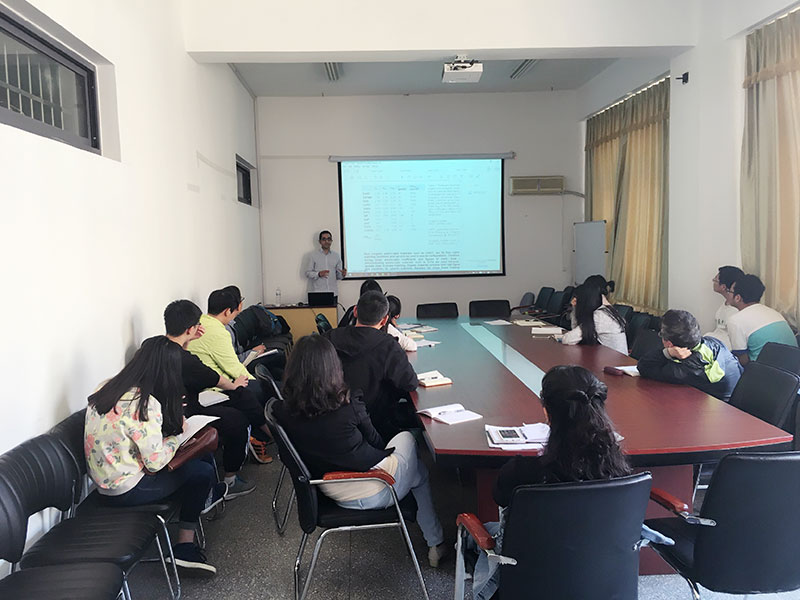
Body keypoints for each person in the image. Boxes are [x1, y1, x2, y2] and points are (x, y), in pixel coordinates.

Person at [274, 335, 447, 567]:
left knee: (418, 473)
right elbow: (378, 444)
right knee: (409, 444)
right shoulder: (346, 407)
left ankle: (436, 541)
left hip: (325, 486)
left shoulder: (281, 411)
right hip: (374, 487)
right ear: (333, 368)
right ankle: (435, 543)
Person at [471, 366, 633, 599]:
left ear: (547, 412)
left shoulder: (521, 473)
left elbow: (499, 497)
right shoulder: (620, 471)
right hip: (600, 579)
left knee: (481, 532)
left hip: (532, 581)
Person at [85, 336, 225, 576]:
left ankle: (207, 495)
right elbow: (156, 462)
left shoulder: (105, 388)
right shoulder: (145, 404)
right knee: (202, 471)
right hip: (128, 490)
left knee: (198, 460)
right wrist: (178, 435)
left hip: (103, 484)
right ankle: (184, 548)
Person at [165, 299, 267, 494]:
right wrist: (235, 385)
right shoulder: (188, 361)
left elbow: (183, 356)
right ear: (190, 329)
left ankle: (268, 433)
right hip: (185, 414)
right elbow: (215, 379)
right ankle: (230, 481)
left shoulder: (152, 346)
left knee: (240, 398)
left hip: (171, 408)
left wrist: (189, 340)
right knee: (238, 420)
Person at [325, 290, 418, 441]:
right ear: (385, 319)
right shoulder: (389, 346)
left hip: (332, 420)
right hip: (376, 425)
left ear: (355, 311)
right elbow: (410, 383)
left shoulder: (330, 337)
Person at [637, 309, 742, 401]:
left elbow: (644, 367)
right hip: (728, 406)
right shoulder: (713, 342)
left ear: (669, 343)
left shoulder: (686, 369)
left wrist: (668, 352)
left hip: (716, 412)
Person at [727, 274, 798, 363]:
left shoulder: (735, 320)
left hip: (766, 369)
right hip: (794, 367)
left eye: (729, 291)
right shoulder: (774, 313)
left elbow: (742, 360)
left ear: (737, 298)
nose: (727, 294)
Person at [561, 284, 628, 354]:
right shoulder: (604, 311)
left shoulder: (600, 316)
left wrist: (574, 308)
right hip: (611, 356)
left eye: (576, 298)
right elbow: (575, 330)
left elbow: (567, 339)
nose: (572, 301)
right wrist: (575, 308)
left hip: (617, 359)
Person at [703, 266, 744, 348]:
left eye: (715, 280)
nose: (713, 281)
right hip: (713, 343)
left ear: (723, 287)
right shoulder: (726, 304)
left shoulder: (736, 310)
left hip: (722, 349)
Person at [305, 230, 346, 305]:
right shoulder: (313, 255)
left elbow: (338, 276)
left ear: (331, 241)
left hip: (333, 293)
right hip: (318, 293)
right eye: (324, 239)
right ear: (320, 241)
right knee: (319, 313)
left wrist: (342, 274)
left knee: (332, 313)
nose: (327, 241)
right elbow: (308, 273)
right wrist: (318, 274)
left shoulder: (336, 256)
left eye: (329, 239)